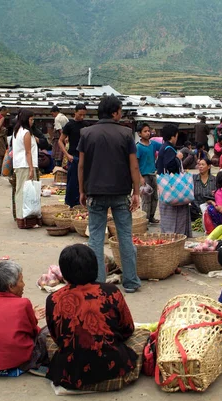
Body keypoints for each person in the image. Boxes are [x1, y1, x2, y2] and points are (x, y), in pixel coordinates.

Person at [46, 245, 148, 392]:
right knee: (143, 335)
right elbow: (128, 329)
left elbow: (57, 338)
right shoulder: (111, 291)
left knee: (47, 338)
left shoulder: (53, 299)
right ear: (95, 267)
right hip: (113, 366)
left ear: (65, 273)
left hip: (72, 373)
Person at [78, 95, 141, 293]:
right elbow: (134, 166)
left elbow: (81, 166)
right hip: (121, 193)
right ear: (114, 112)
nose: (121, 114)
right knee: (125, 237)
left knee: (96, 238)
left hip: (94, 192)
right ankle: (130, 282)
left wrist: (81, 190)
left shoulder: (86, 133)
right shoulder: (126, 133)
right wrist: (136, 192)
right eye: (120, 111)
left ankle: (98, 283)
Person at [0, 261, 48, 372]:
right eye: (21, 281)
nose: (24, 284)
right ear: (11, 287)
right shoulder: (23, 303)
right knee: (49, 331)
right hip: (16, 359)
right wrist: (32, 318)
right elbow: (32, 332)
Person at [156, 123, 192, 237]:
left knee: (166, 216)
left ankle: (169, 238)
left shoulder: (163, 147)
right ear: (173, 136)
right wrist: (178, 158)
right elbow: (170, 165)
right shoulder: (169, 149)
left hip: (165, 188)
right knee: (175, 218)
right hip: (174, 189)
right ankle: (176, 239)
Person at [12, 109, 41, 229]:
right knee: (26, 193)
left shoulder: (17, 131)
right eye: (31, 119)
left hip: (19, 165)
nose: (32, 122)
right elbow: (28, 152)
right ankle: (24, 218)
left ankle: (21, 217)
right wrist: (30, 169)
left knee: (20, 191)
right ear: (25, 119)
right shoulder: (26, 132)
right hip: (26, 165)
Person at [58, 104, 88, 207]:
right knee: (72, 183)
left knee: (84, 182)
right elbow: (60, 141)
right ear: (75, 112)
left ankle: (82, 204)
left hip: (85, 157)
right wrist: (66, 155)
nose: (82, 117)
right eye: (80, 114)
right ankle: (70, 205)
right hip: (73, 157)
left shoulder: (86, 125)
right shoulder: (69, 125)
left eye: (84, 115)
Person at [136, 123, 162, 224]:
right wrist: (140, 178)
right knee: (146, 199)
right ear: (139, 134)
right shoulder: (138, 147)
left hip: (152, 174)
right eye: (145, 131)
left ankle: (151, 217)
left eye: (148, 131)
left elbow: (163, 148)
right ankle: (145, 220)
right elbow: (136, 164)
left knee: (155, 197)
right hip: (143, 176)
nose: (148, 133)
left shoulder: (153, 144)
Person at [190, 157, 216, 221]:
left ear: (209, 166)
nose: (200, 166)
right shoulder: (193, 179)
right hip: (195, 211)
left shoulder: (214, 180)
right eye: (199, 165)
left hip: (210, 211)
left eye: (203, 164)